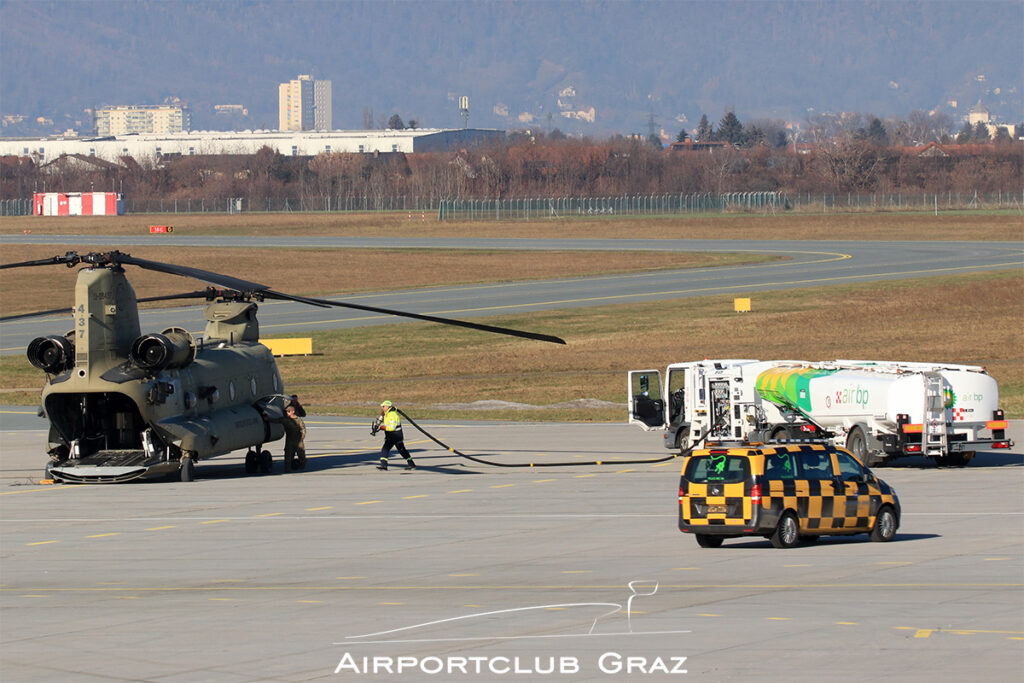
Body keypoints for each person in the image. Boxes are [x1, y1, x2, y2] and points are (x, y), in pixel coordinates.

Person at [373, 400, 415, 470]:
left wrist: (381, 427)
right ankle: (411, 464)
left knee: (389, 449)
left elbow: (391, 427)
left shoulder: (393, 415)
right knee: (397, 450)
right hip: (391, 435)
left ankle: (384, 465)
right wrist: (378, 423)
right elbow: (382, 419)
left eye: (383, 406)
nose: (382, 408)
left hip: (396, 435)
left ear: (387, 406)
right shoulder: (387, 413)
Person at [281, 404, 306, 472]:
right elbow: (277, 420)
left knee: (301, 455)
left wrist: (301, 438)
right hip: (289, 440)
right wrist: (268, 419)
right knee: (288, 455)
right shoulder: (285, 419)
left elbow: (303, 429)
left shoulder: (298, 419)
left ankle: (302, 467)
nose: (287, 413)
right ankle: (287, 469)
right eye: (286, 412)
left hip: (298, 440)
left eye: (288, 411)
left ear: (293, 412)